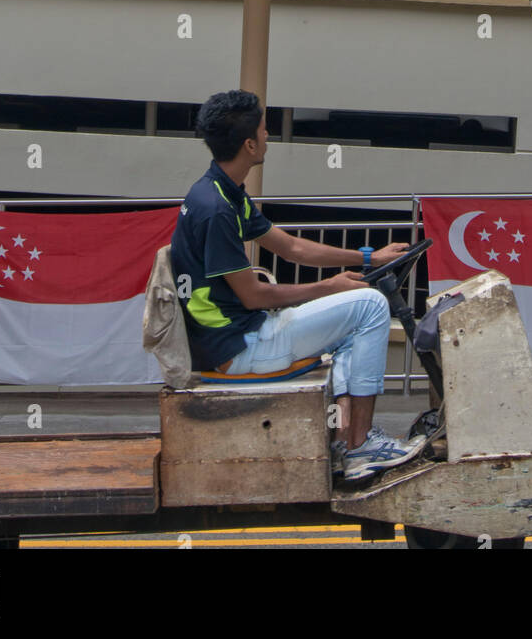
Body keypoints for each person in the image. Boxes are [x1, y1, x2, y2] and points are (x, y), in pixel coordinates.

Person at [172, 89, 427, 481]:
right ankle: (360, 445)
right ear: (249, 144)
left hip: (238, 337)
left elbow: (291, 247)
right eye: (263, 128)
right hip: (239, 348)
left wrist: (367, 258)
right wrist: (330, 287)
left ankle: (349, 441)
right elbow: (254, 296)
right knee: (371, 307)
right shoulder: (217, 210)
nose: (269, 133)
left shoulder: (222, 190)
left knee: (354, 320)